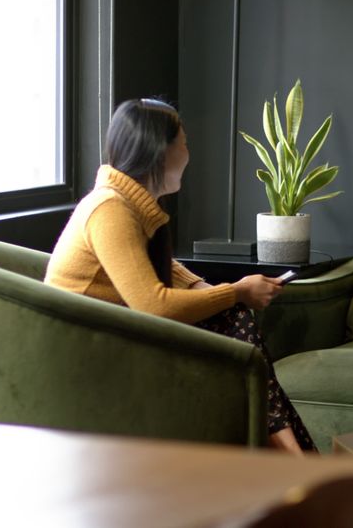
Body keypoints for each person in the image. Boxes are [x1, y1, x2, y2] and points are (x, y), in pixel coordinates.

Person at [45, 99, 315, 453]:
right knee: (235, 318)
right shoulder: (110, 210)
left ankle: (291, 454)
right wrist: (235, 292)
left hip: (115, 333)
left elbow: (160, 266)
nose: (188, 154)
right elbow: (153, 306)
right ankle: (294, 456)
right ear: (160, 152)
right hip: (89, 349)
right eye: (183, 144)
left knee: (234, 324)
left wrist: (206, 288)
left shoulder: (128, 203)